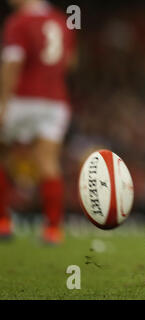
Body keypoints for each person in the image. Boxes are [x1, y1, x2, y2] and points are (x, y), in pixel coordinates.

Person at [0, 0, 76, 244]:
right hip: (55, 101)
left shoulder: (18, 22)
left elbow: (13, 63)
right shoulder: (62, 21)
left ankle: (2, 223)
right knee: (48, 161)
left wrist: (3, 101)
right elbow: (71, 61)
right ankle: (53, 229)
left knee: (5, 156)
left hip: (23, 98)